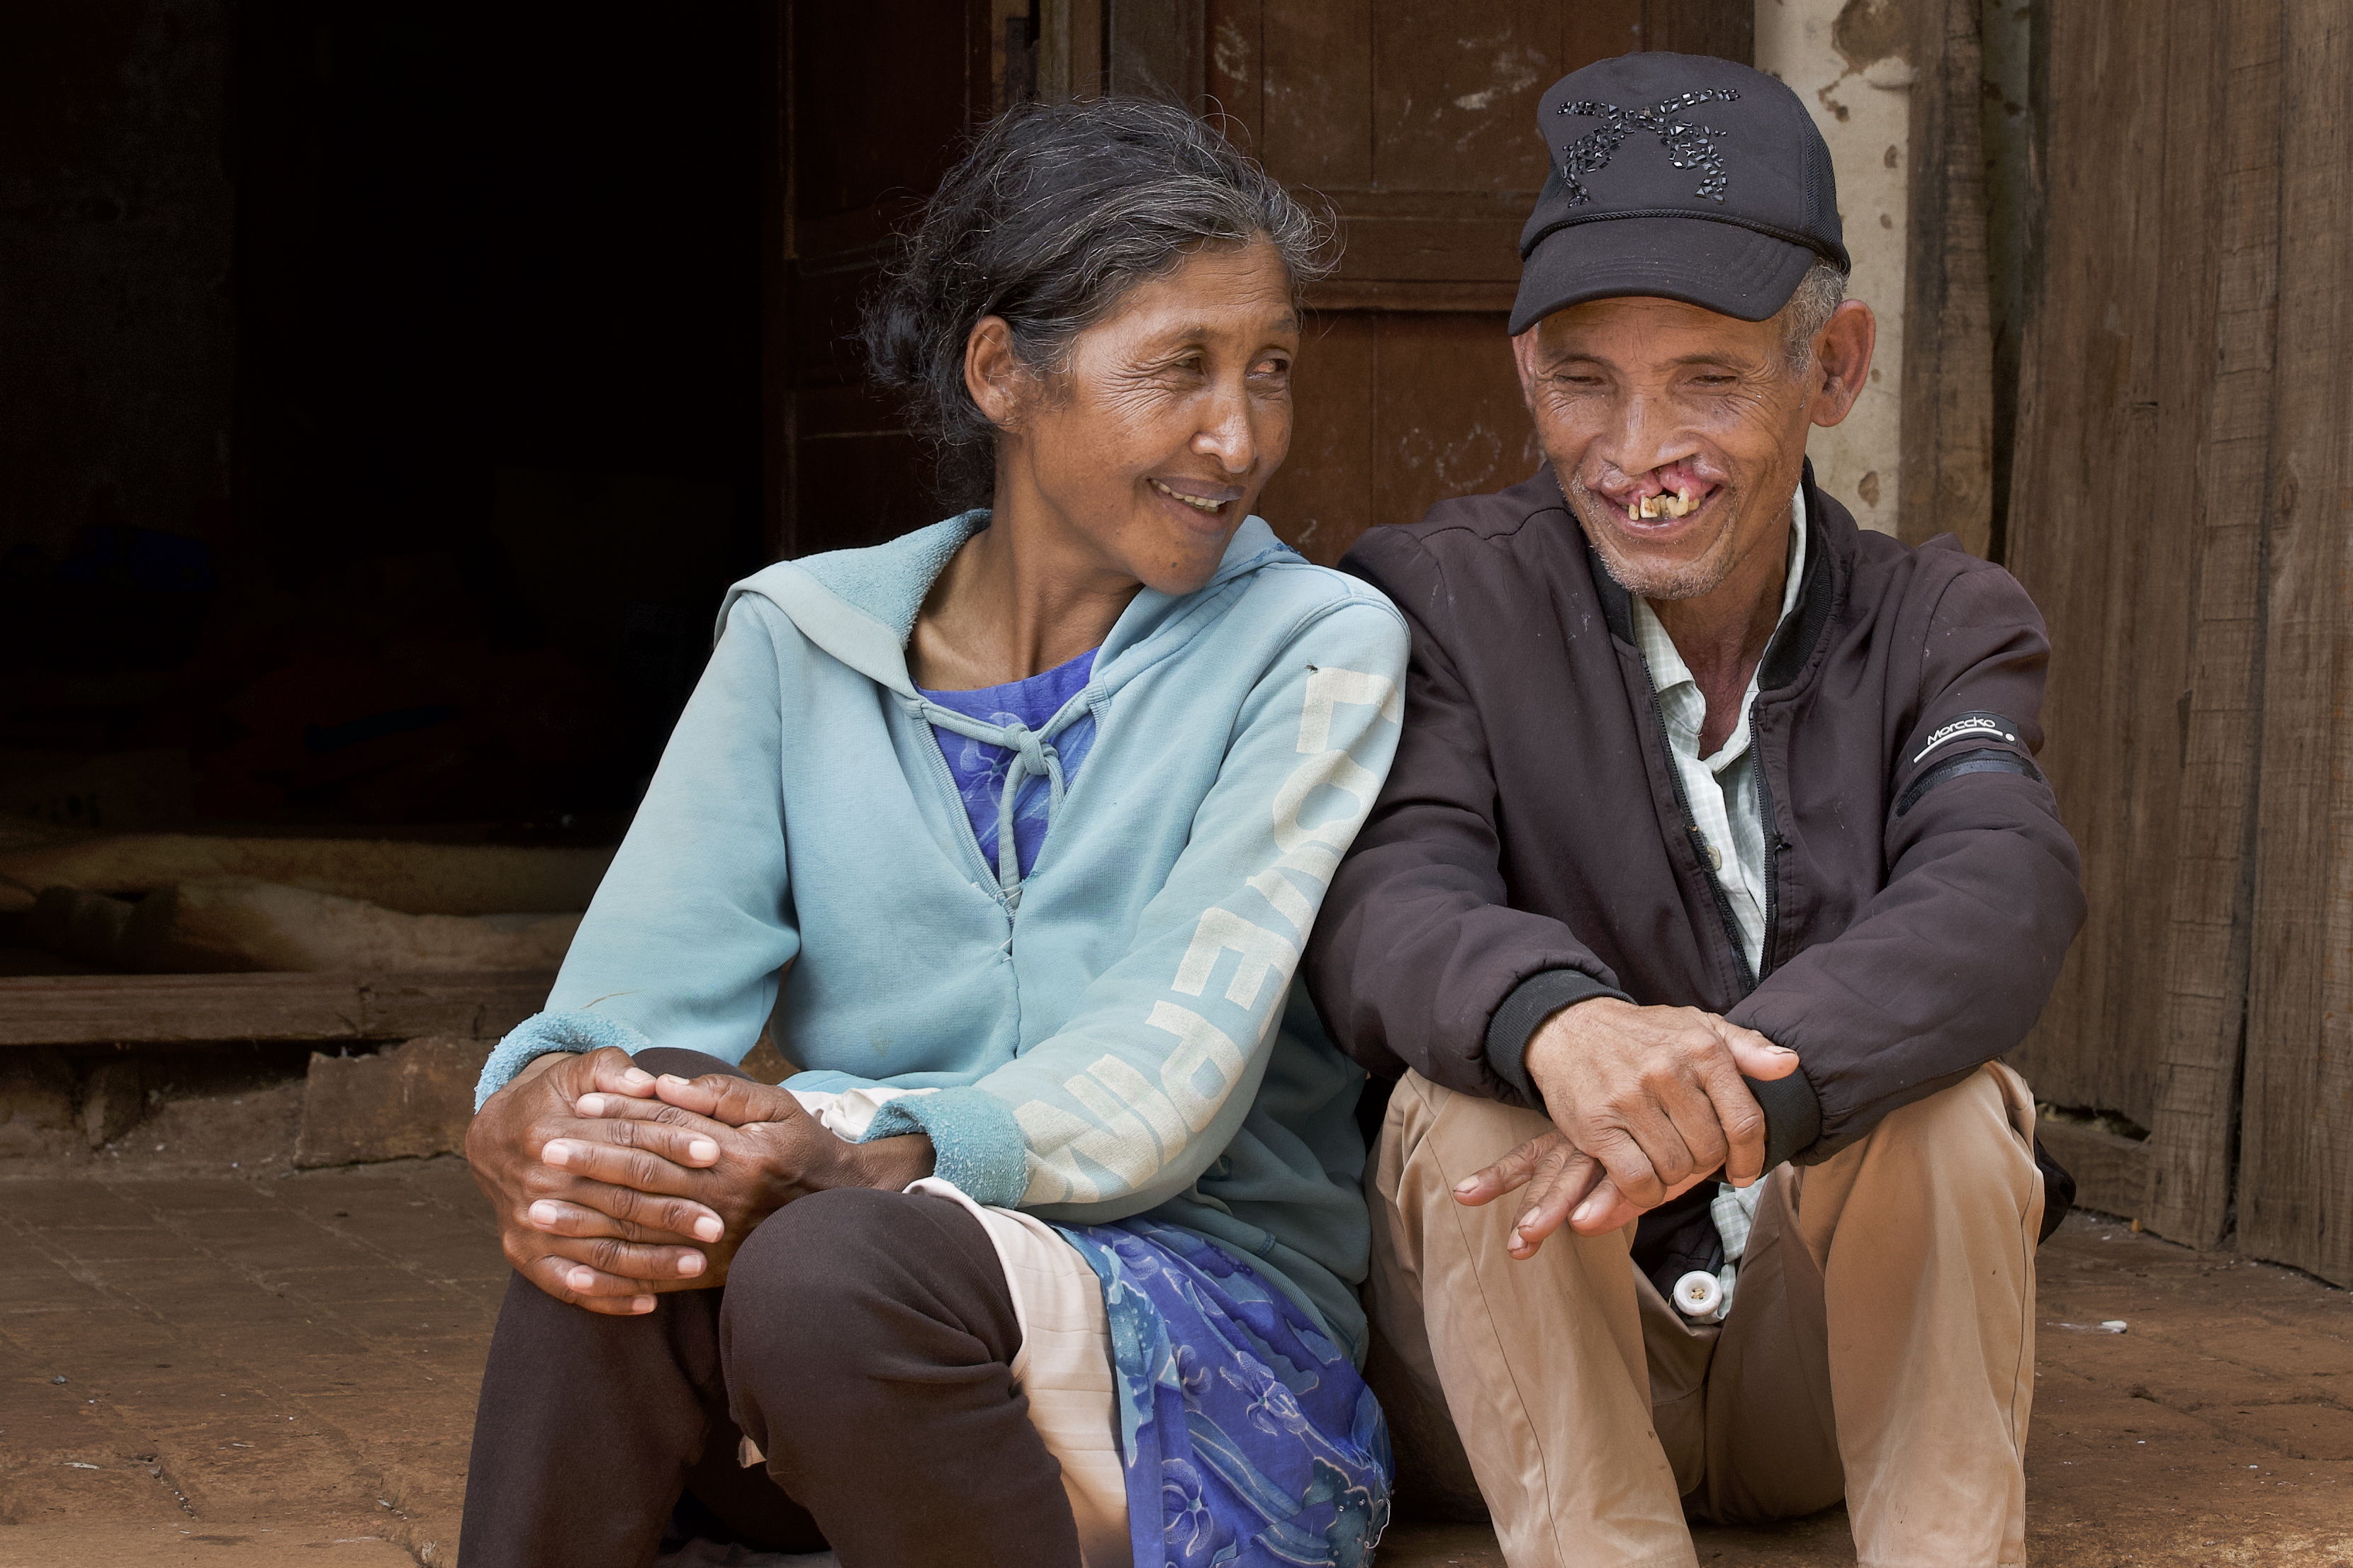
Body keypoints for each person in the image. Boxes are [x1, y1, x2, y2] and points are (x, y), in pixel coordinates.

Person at [455, 98, 1407, 1568]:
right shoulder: (796, 637)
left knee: (826, 1271)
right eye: (1181, 370)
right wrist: (547, 1108)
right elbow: (627, 1004)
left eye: (1269, 369)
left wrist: (861, 1147)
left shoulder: (1314, 646)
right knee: (620, 1217)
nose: (1241, 435)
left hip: (1193, 1349)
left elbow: (1169, 1076)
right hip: (860, 1330)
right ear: (1000, 375)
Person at [1304, 51, 2085, 1568]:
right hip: (1525, 1367)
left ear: (1834, 369)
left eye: (1709, 380)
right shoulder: (1437, 597)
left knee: (1950, 1116)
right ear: (1525, 369)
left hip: (1807, 1377)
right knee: (1464, 1097)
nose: (1636, 453)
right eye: (1583, 379)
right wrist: (1559, 1027)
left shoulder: (1943, 622)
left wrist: (1732, 1106)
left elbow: (1997, 890)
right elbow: (1386, 894)